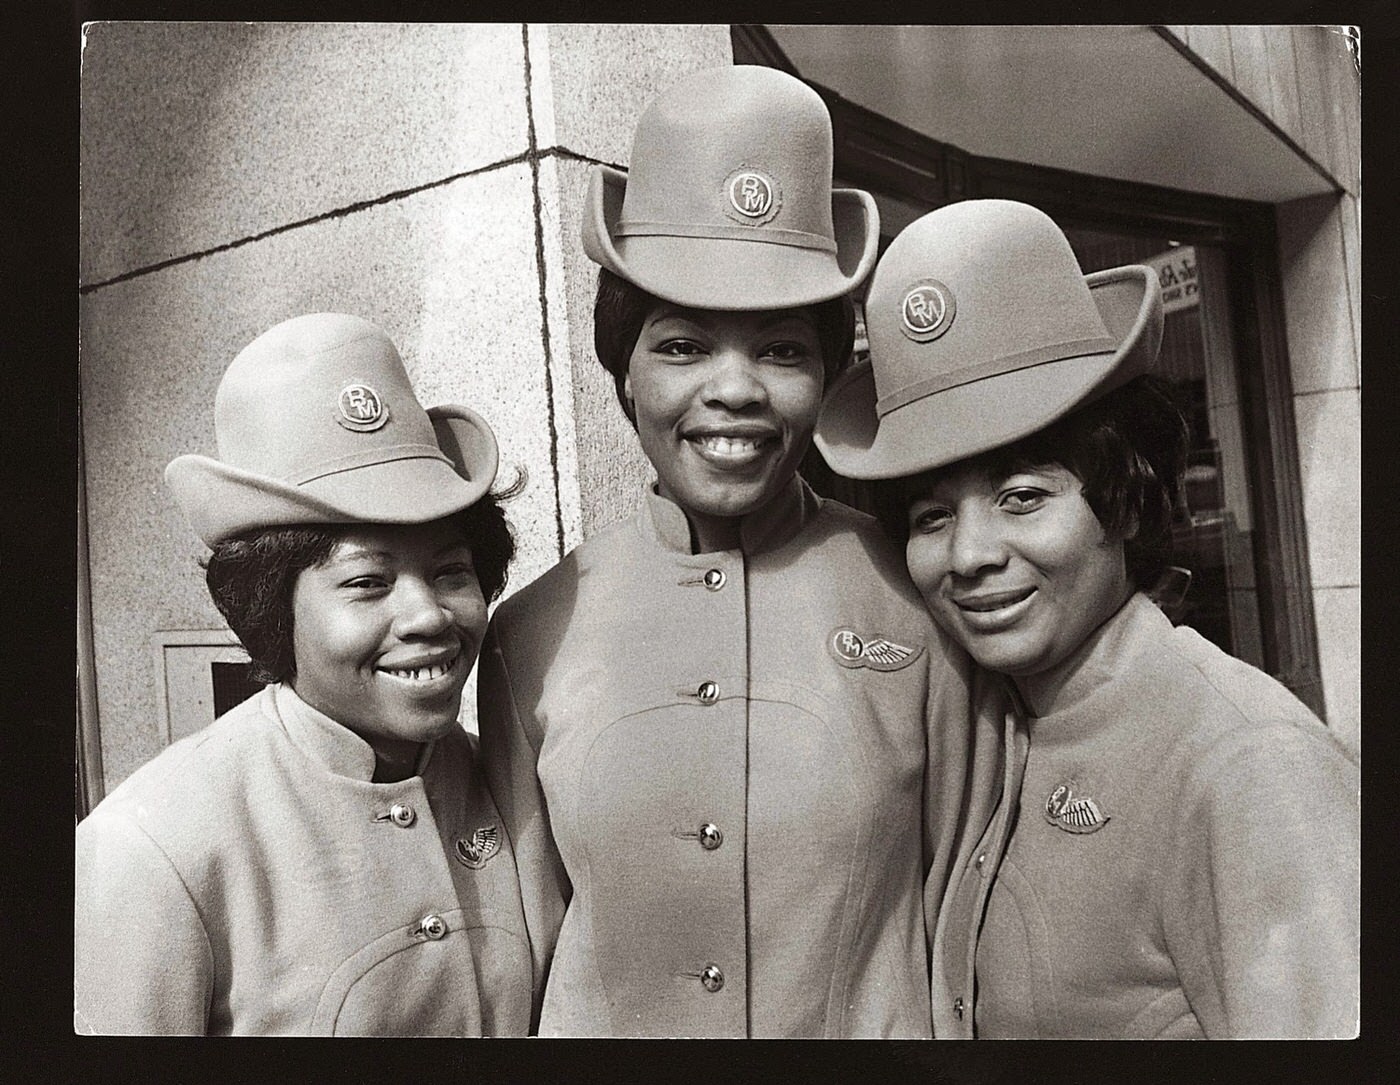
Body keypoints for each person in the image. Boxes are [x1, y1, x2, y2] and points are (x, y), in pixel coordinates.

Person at [477, 65, 1003, 1037]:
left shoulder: (913, 592)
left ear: (824, 373)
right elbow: (526, 941)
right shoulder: (527, 632)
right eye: (680, 346)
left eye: (780, 348)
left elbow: (967, 904)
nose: (734, 389)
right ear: (621, 370)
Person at [814, 198, 1360, 1038]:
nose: (970, 554)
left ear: (1128, 500)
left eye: (1023, 496)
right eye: (931, 516)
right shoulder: (991, 730)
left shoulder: (1249, 760)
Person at [75, 313, 536, 1035]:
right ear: (270, 607)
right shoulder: (154, 846)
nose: (427, 615)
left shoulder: (497, 784)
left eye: (452, 571)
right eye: (366, 582)